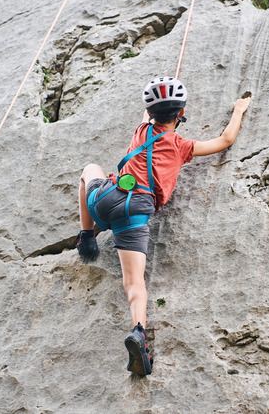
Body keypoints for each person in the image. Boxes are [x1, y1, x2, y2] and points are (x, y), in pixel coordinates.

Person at [76, 77, 251, 376]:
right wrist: (239, 109)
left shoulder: (142, 130)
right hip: (134, 213)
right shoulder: (181, 146)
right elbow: (225, 140)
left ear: (150, 114)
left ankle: (86, 236)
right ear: (181, 114)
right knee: (134, 283)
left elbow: (150, 115)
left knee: (90, 170)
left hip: (106, 196)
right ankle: (138, 333)